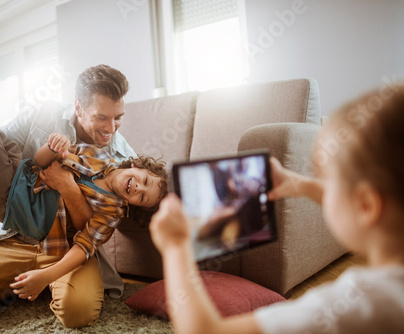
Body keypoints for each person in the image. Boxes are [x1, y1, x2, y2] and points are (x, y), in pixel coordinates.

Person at [0, 63, 164, 332]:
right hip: (17, 231)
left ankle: (38, 283)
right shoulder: (53, 122)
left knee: (78, 312)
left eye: (118, 117)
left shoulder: (122, 160)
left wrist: (69, 188)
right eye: (102, 117)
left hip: (65, 249)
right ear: (78, 108)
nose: (111, 128)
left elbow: (93, 232)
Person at [149, 85, 404, 334]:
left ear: (367, 206)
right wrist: (300, 184)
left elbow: (205, 330)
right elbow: (356, 201)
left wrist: (176, 248)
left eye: (328, 180)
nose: (324, 186)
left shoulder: (356, 306)